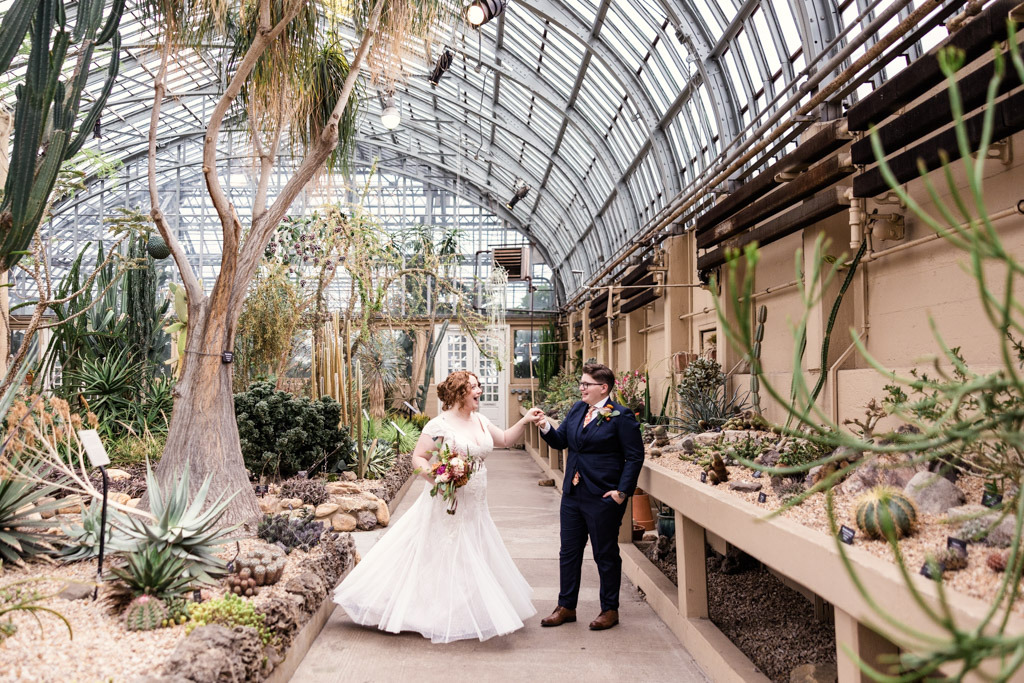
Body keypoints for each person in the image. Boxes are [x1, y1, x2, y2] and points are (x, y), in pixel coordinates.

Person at [333, 369, 544, 643]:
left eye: (479, 386)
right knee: (443, 549)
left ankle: (467, 608)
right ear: (459, 393)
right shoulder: (439, 425)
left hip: (477, 502)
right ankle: (433, 611)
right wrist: (439, 477)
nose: (479, 391)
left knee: (474, 548)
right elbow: (419, 458)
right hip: (448, 499)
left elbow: (503, 439)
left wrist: (525, 420)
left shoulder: (480, 420)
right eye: (474, 387)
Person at [532, 362, 644, 631]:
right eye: (581, 383)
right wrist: (545, 425)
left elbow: (634, 455)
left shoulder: (621, 415)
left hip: (603, 496)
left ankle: (609, 609)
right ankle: (566, 606)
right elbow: (561, 442)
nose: (581, 388)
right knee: (568, 552)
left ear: (603, 387)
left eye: (586, 384)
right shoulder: (577, 409)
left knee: (605, 554)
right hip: (572, 493)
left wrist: (621, 492)